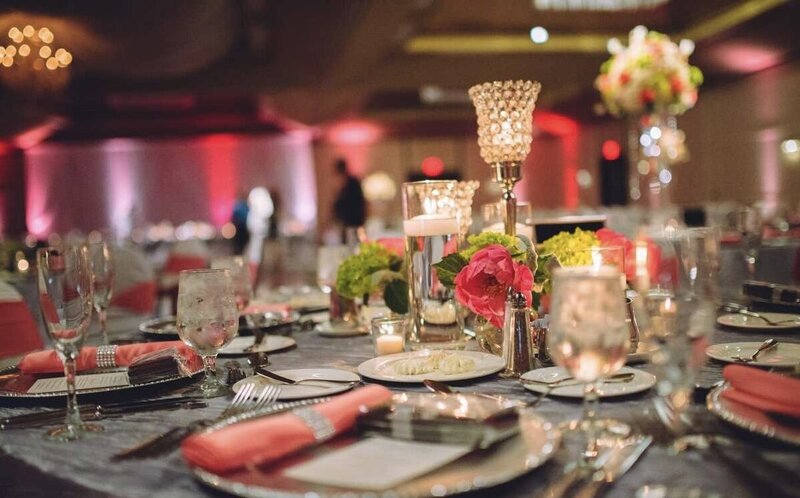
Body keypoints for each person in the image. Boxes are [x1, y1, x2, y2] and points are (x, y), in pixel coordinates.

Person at [332, 158, 366, 242]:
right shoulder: (345, 183)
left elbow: (359, 203)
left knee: (354, 243)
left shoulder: (352, 182)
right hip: (347, 222)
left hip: (353, 221)